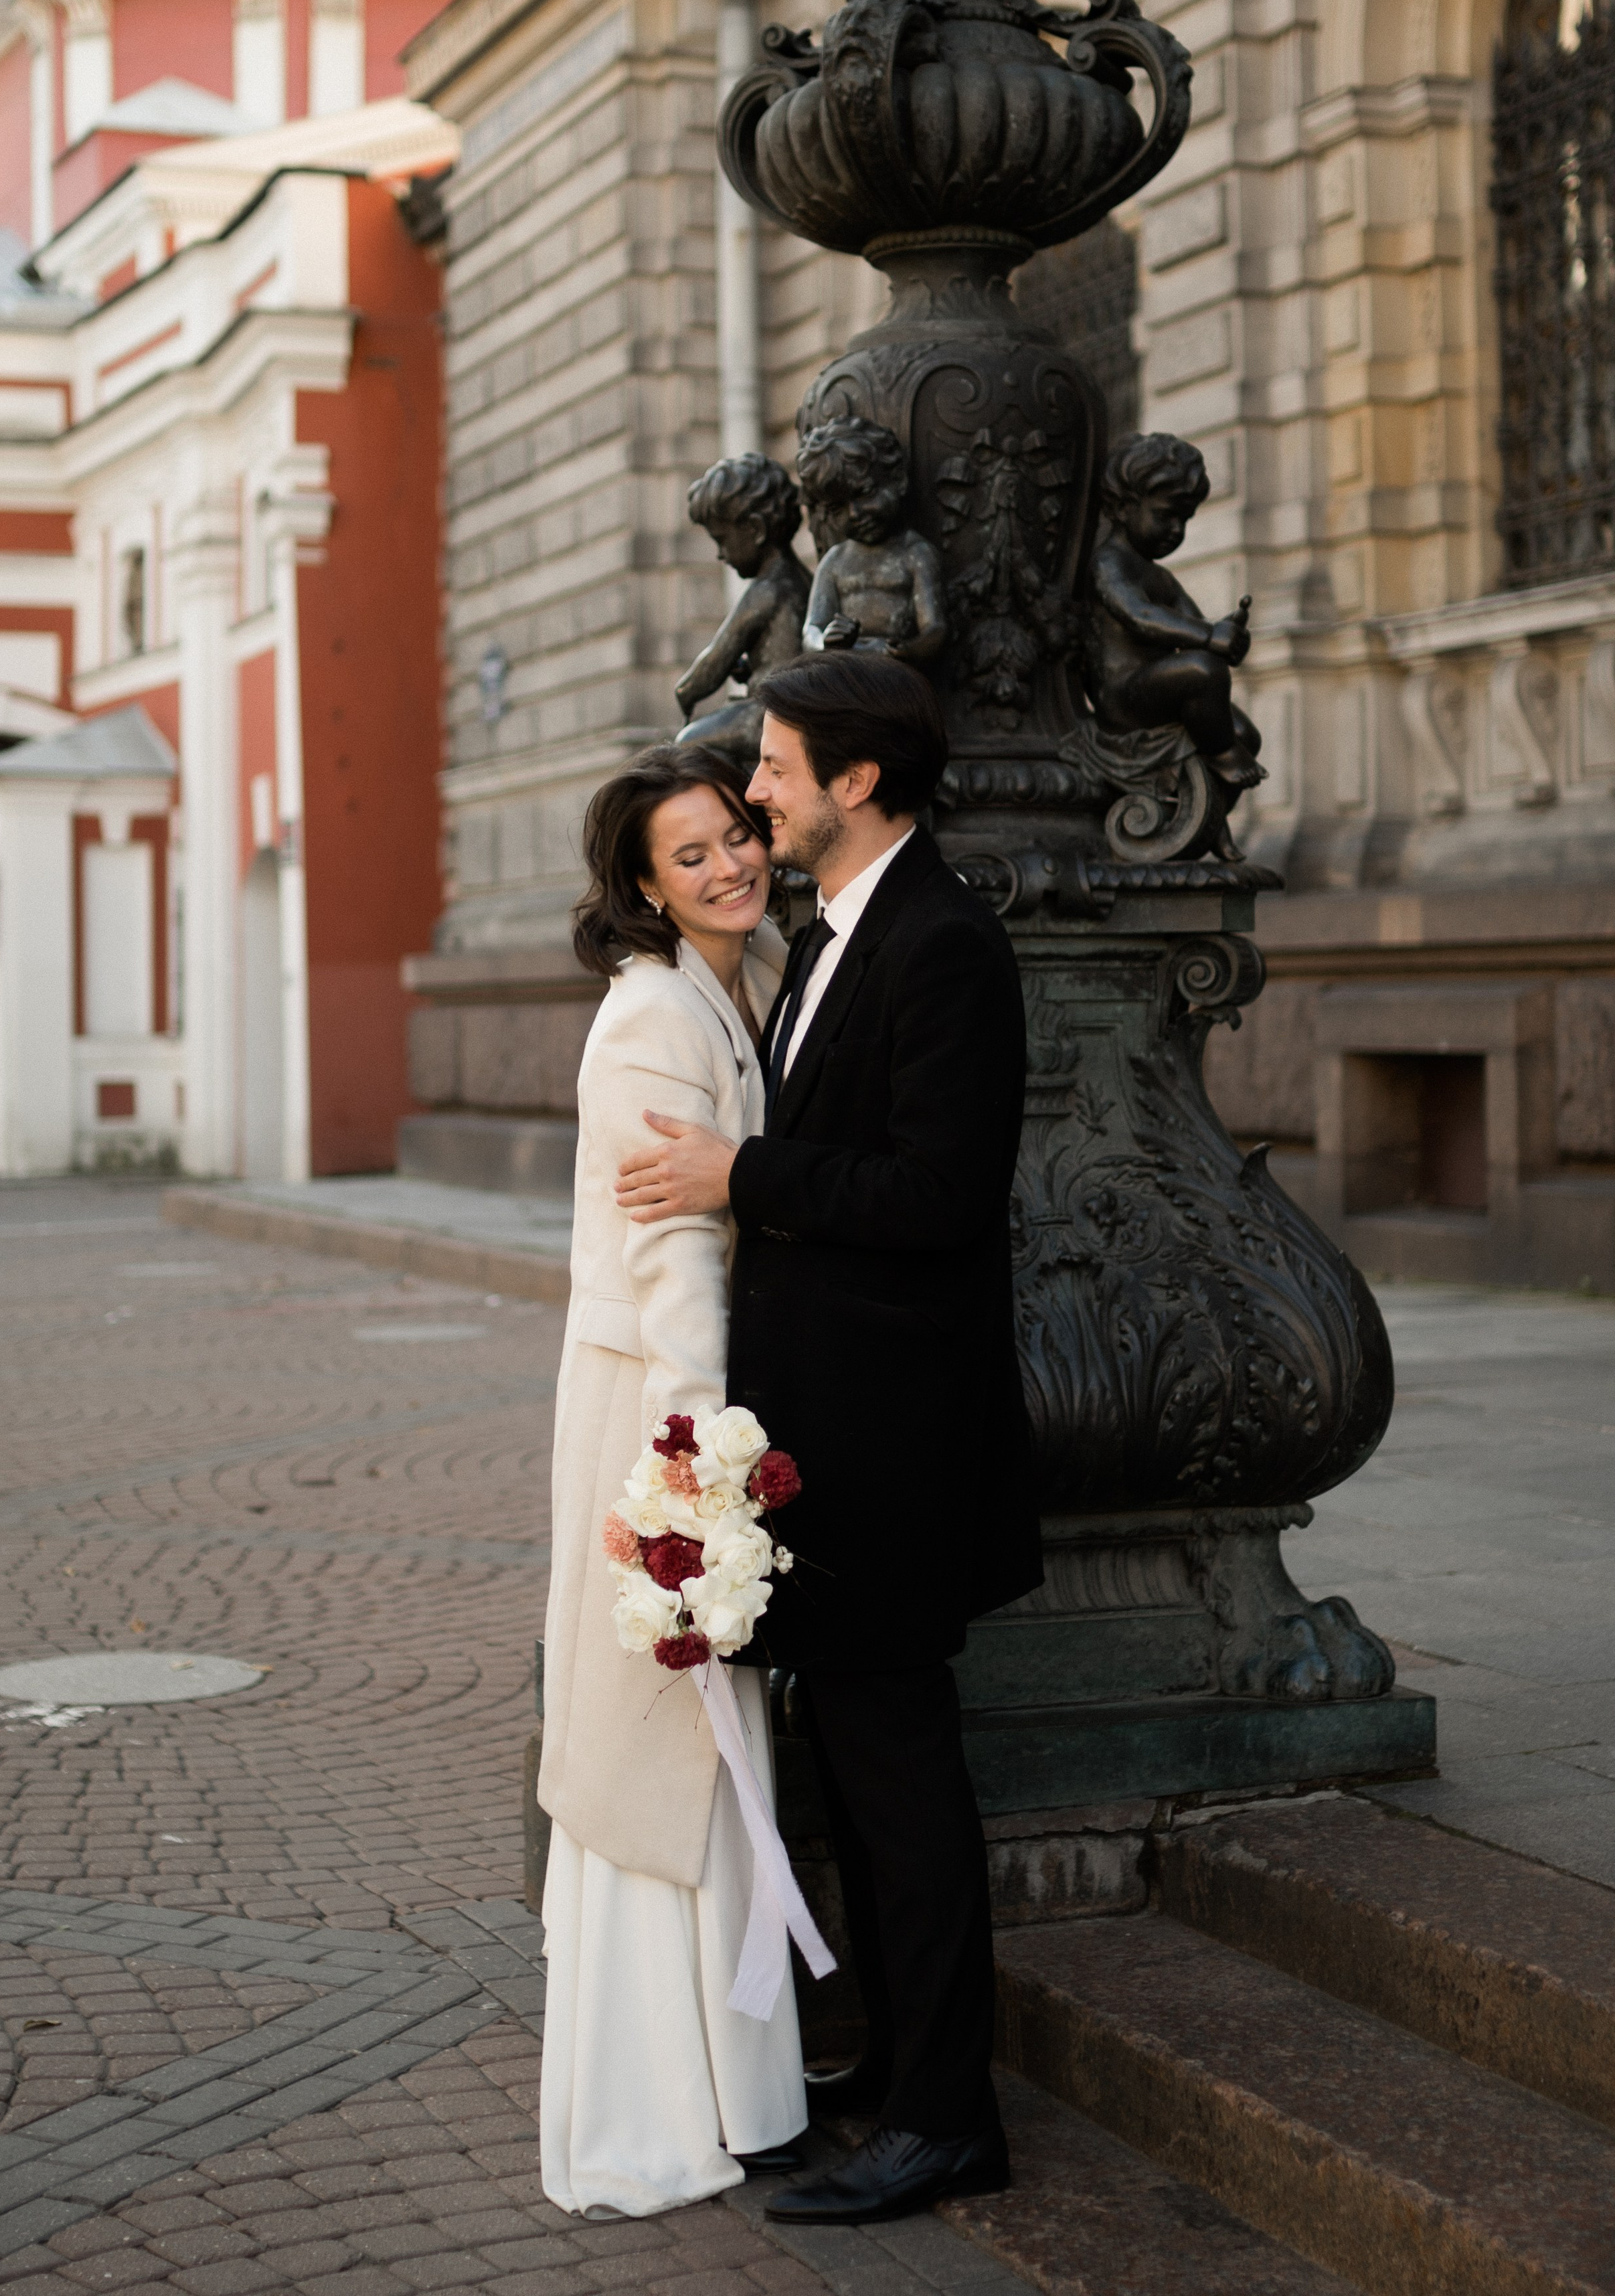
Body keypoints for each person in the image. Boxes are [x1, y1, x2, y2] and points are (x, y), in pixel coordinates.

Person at [615, 652, 1041, 2228]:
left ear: (855, 779)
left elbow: (937, 1197)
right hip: (826, 1447)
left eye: (778, 763)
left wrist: (743, 1172)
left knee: (901, 1780)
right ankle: (897, 2072)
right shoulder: (824, 938)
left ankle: (947, 2117)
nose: (756, 790)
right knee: (858, 1784)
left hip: (898, 1449)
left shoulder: (942, 944)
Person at [537, 742, 809, 2218]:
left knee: (703, 1750)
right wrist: (702, 1469)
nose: (725, 866)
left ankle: (725, 2073)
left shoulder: (732, 984)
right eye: (688, 855)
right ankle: (667, 2095)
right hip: (659, 1412)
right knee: (663, 1747)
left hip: (676, 1408)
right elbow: (673, 1255)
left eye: (733, 837)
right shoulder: (653, 1017)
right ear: (641, 884)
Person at [1085, 432, 1263, 787]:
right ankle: (1219, 756)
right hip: (1123, 695)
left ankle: (1210, 823)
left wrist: (1226, 633)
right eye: (1167, 516)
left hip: (1156, 688)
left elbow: (1192, 625)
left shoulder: (1161, 577)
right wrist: (1211, 638)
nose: (1177, 530)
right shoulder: (1109, 563)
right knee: (1203, 671)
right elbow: (1141, 615)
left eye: (1185, 520)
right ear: (1123, 508)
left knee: (1246, 735)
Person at [675, 453, 814, 759]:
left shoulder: (766, 590)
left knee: (687, 744)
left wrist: (685, 692)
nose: (720, 555)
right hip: (789, 707)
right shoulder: (801, 579)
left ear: (755, 529)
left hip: (773, 712)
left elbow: (715, 661)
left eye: (722, 540)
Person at [796, 417, 947, 665]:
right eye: (838, 508)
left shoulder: (915, 553)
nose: (854, 514)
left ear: (897, 480)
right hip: (846, 672)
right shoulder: (835, 561)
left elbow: (935, 629)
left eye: (865, 493)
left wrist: (909, 651)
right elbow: (811, 629)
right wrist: (826, 642)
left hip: (892, 674)